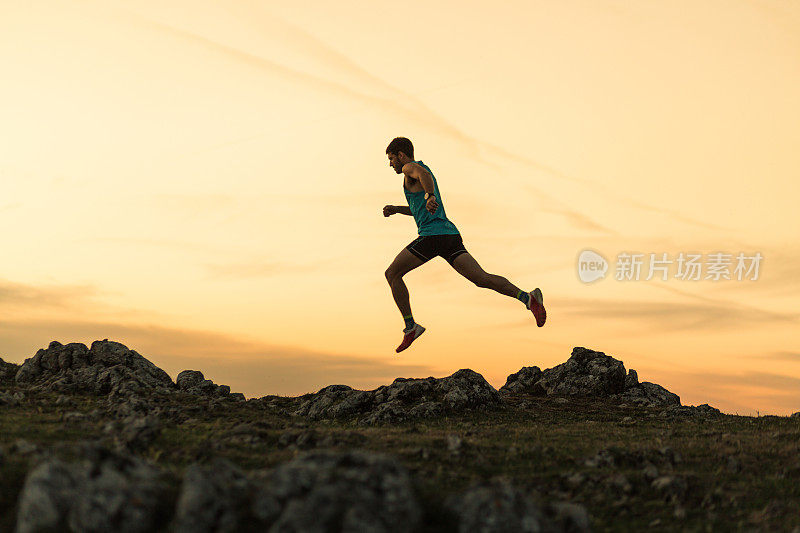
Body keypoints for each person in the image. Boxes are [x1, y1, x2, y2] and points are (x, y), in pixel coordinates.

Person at [382, 137, 546, 353]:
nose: (390, 163)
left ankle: (410, 327)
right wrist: (397, 208)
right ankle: (528, 297)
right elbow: (419, 206)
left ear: (401, 155)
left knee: (392, 274)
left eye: (391, 158)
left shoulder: (411, 168)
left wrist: (430, 194)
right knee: (481, 278)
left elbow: (424, 176)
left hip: (432, 237)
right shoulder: (417, 176)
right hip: (450, 235)